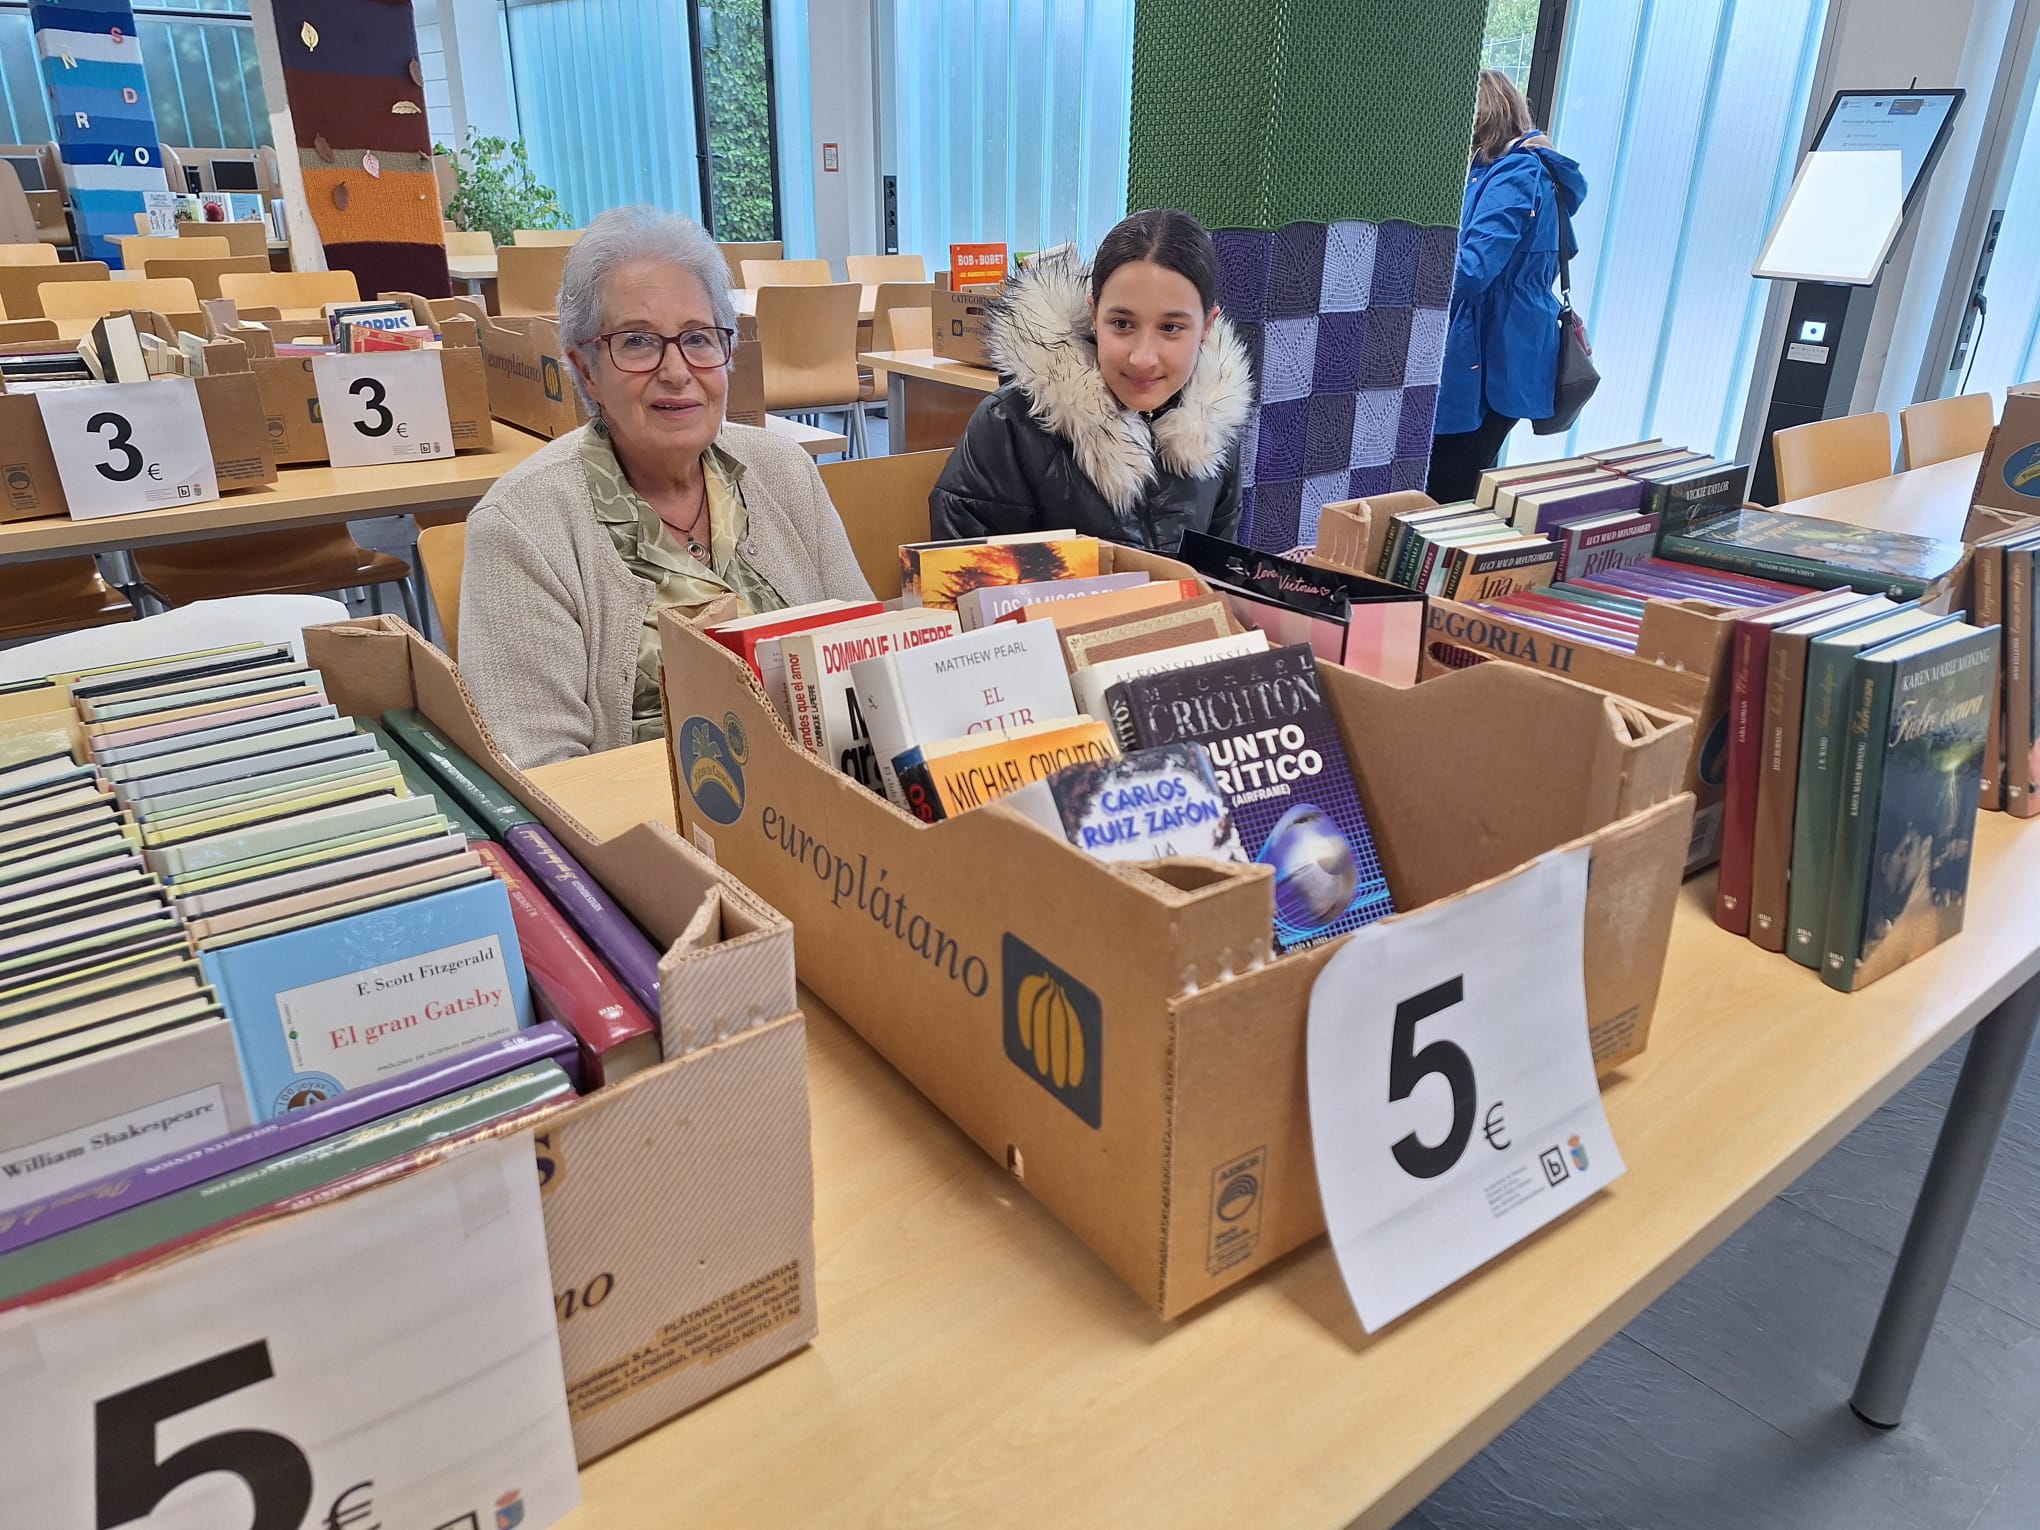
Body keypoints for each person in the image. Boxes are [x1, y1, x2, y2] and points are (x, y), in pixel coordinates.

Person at [461, 205, 872, 769]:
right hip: (646, 836)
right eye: (637, 342)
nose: (677, 370)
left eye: (698, 338)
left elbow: (870, 662)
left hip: (829, 810)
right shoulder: (522, 527)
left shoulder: (783, 470)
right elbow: (542, 773)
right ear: (586, 370)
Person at [929, 208, 1254, 554]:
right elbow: (960, 580)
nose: (1143, 357)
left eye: (1171, 328)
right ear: (1094, 315)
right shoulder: (1009, 424)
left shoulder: (1216, 423)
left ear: (1207, 326)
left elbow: (1218, 579)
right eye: (1122, 324)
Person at [1428, 69, 1588, 504]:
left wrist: (1410, 265)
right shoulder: (1539, 172)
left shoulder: (1512, 174)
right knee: (1460, 481)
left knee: (1443, 490)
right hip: (1511, 349)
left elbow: (1472, 270)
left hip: (1491, 352)